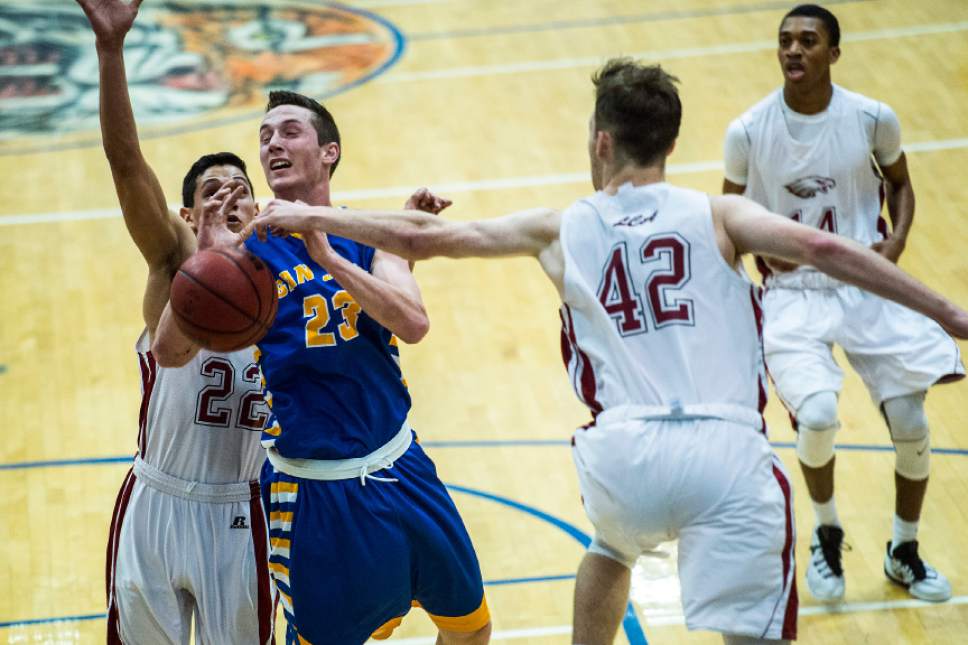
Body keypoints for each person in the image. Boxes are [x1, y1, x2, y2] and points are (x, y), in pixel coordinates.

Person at [241, 58, 968, 644]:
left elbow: (424, 240)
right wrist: (944, 310)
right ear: (673, 145)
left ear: (601, 141)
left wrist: (312, 215)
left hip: (624, 456)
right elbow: (819, 245)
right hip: (726, 449)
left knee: (610, 549)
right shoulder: (721, 213)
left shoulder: (560, 226)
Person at [152, 91, 491, 645]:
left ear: (329, 151)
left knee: (471, 629)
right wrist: (203, 260)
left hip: (400, 466)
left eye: (289, 132)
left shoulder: (367, 235)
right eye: (264, 137)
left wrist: (327, 254)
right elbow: (170, 352)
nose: (272, 145)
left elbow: (413, 322)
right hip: (312, 493)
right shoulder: (248, 250)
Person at [721, 4, 963, 603]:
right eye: (785, 41)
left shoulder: (871, 117)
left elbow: (901, 182)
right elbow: (728, 218)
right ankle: (826, 533)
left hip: (866, 281)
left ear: (834, 52)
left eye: (808, 40)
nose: (793, 50)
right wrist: (755, 255)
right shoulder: (749, 131)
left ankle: (903, 550)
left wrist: (898, 240)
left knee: (910, 423)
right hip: (793, 294)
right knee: (821, 416)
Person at [75, 0, 276, 642]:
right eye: (211, 192)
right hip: (156, 502)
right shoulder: (172, 263)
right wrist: (111, 51)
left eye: (238, 188)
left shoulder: (285, 276)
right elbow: (126, 163)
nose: (226, 198)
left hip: (240, 509)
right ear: (187, 216)